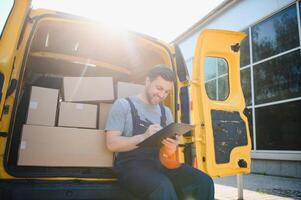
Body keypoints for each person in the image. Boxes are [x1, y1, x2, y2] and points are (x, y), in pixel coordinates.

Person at [105, 64, 214, 200]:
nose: (162, 95)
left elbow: (167, 154)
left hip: (160, 164)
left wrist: (171, 147)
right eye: (159, 88)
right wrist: (143, 137)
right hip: (131, 167)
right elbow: (111, 144)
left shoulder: (166, 112)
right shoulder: (123, 105)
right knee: (162, 186)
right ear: (148, 81)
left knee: (203, 181)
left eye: (167, 91)